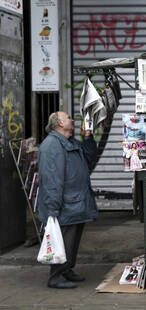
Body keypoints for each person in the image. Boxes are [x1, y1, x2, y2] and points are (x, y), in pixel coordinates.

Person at [37, 111, 98, 289]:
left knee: (72, 240)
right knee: (62, 239)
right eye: (68, 118)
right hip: (64, 204)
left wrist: (87, 137)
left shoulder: (69, 142)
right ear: (59, 124)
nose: (72, 119)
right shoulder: (51, 146)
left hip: (76, 201)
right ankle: (55, 276)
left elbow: (89, 157)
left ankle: (66, 270)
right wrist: (53, 209)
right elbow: (51, 180)